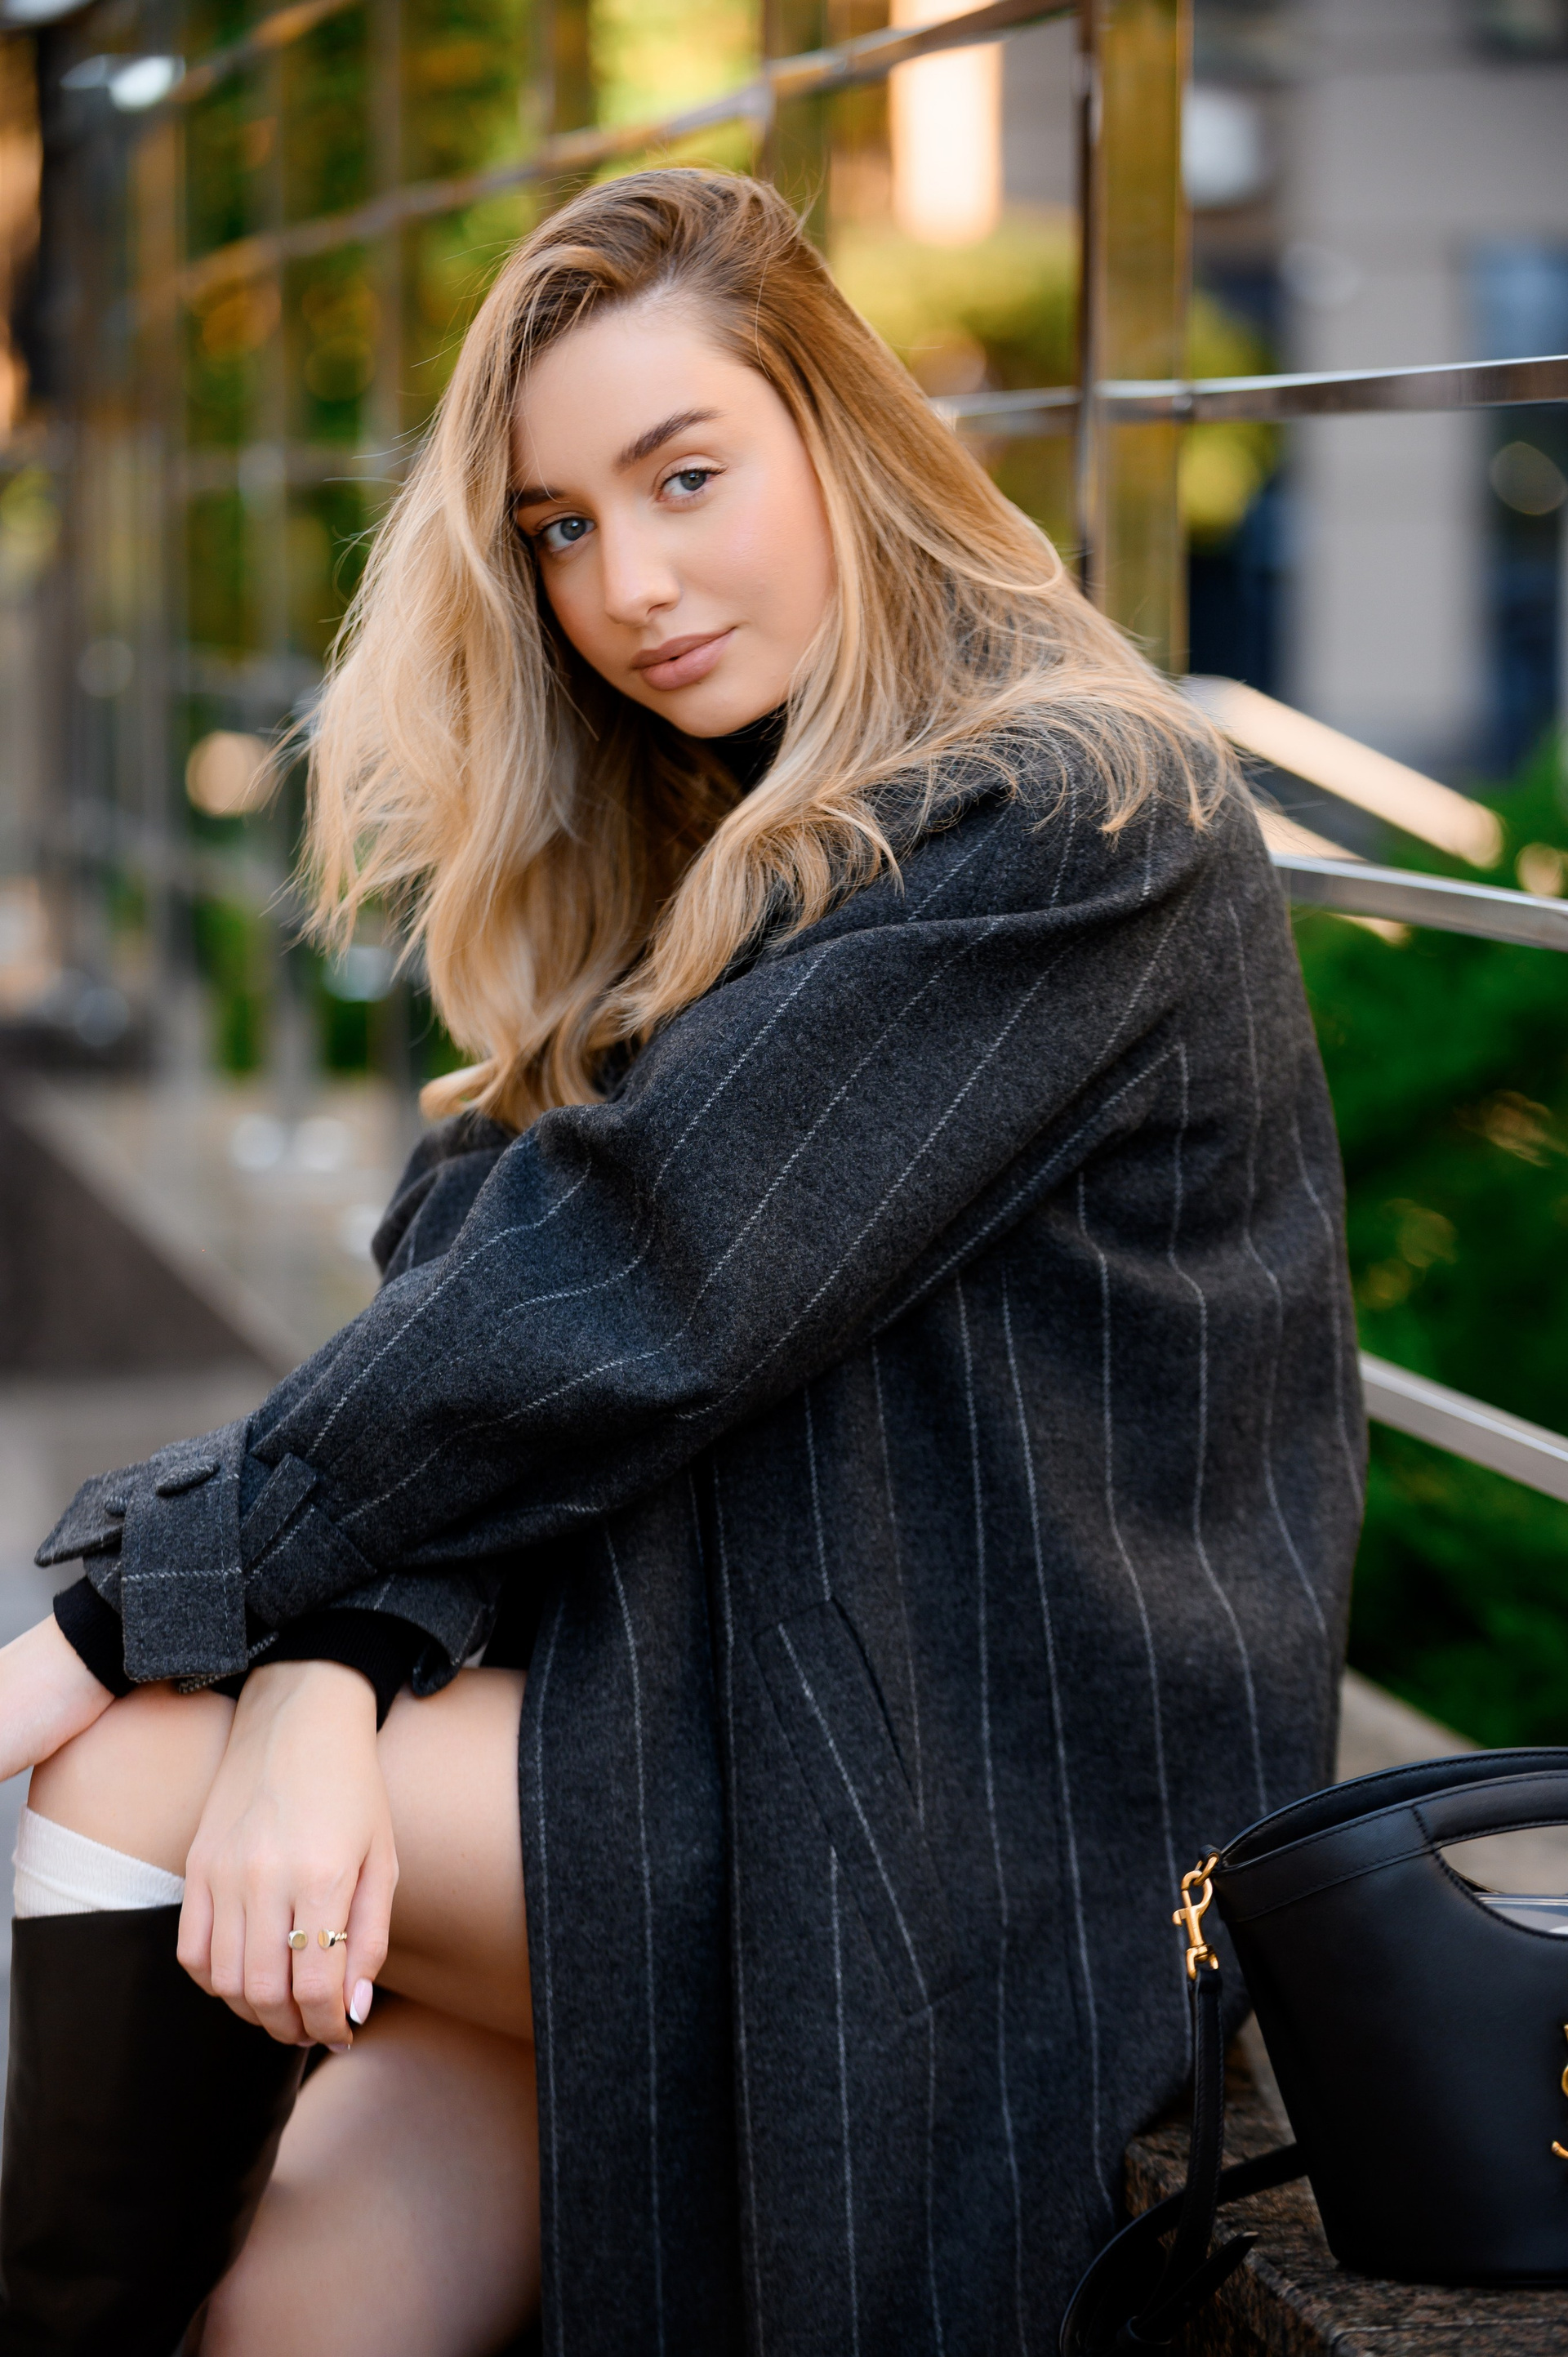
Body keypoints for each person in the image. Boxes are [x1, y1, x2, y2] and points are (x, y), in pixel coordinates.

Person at [0, 169, 1362, 2356]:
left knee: (124, 1760)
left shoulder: (1072, 812)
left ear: (842, 434)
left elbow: (637, 1291)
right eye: (557, 527)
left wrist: (124, 1609)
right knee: (291, 2312)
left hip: (991, 1814)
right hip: (734, 1708)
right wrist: (329, 1662)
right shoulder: (724, 825)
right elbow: (483, 1275)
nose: (625, 585)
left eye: (686, 476)